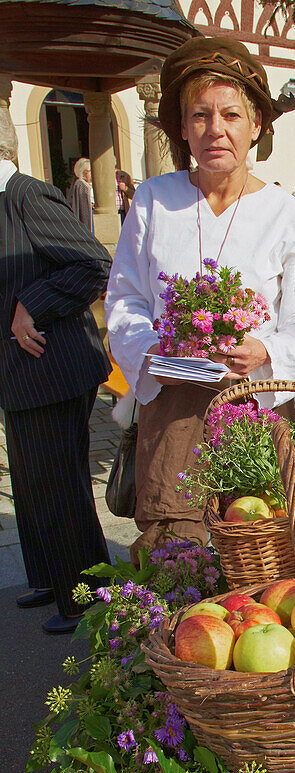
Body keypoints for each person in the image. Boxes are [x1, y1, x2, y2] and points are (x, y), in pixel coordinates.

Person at [105, 37, 295, 561]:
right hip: (172, 412)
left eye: (231, 114)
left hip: (254, 405)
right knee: (173, 555)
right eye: (200, 115)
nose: (216, 129)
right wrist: (151, 358)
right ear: (183, 129)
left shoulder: (284, 212)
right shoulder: (154, 200)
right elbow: (125, 300)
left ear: (256, 126)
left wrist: (265, 352)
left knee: (256, 551)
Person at [0, 119, 112, 633]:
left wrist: (31, 304)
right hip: (19, 372)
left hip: (54, 367)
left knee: (59, 480)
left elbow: (93, 262)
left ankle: (84, 594)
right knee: (28, 480)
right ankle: (49, 576)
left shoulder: (27, 196)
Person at [69, 157, 93, 232]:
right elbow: (82, 204)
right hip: (88, 215)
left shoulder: (92, 184)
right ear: (83, 172)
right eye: (89, 171)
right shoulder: (81, 184)